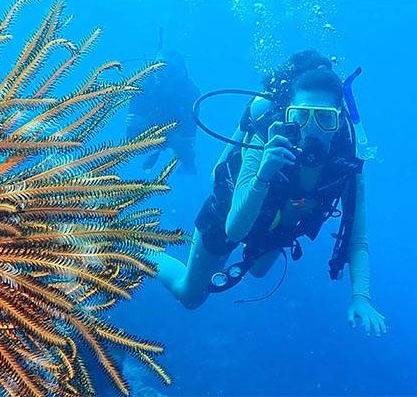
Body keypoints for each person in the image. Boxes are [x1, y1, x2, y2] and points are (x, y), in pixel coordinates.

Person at [153, 50, 388, 337]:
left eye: (325, 119)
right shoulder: (266, 138)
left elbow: (357, 237)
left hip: (277, 224)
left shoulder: (347, 159)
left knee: (260, 270)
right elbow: (235, 229)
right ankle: (142, 252)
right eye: (301, 116)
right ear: (287, 114)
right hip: (228, 213)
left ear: (339, 121)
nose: (312, 129)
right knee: (190, 296)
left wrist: (361, 297)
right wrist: (264, 174)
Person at [126, 49, 200, 174]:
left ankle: (186, 174)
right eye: (157, 68)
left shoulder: (190, 94)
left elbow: (187, 139)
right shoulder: (142, 86)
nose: (160, 74)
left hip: (175, 135)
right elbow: (132, 142)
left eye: (168, 69)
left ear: (178, 73)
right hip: (159, 136)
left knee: (186, 155)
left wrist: (149, 125)